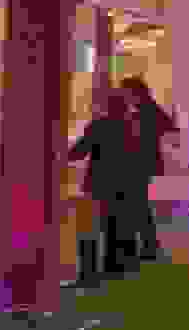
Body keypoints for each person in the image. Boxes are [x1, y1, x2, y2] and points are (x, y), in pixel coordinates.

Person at [67, 93, 153, 285]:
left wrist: (59, 153)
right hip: (127, 185)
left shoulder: (98, 126)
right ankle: (118, 269)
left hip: (99, 185)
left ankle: (89, 275)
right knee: (120, 228)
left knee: (90, 230)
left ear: (107, 107)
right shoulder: (134, 128)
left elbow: (78, 152)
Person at [117, 77, 179, 261]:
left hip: (139, 163)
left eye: (125, 92)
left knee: (137, 205)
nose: (123, 96)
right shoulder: (143, 109)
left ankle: (149, 246)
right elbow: (168, 126)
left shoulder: (146, 109)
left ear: (134, 92)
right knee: (138, 204)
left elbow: (168, 127)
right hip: (141, 163)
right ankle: (148, 245)